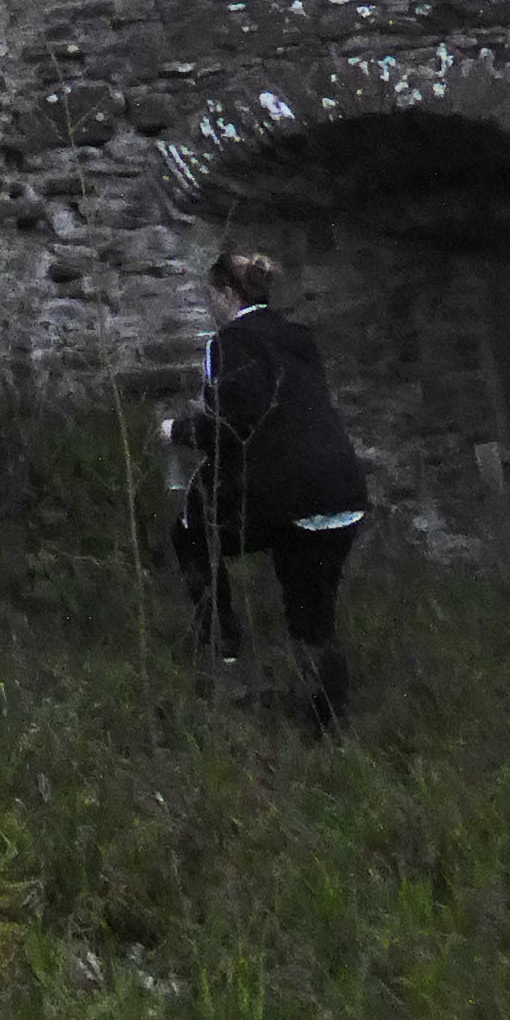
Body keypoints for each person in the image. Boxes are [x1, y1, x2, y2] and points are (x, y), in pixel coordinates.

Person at [167, 246, 370, 733]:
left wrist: (176, 431)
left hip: (292, 499)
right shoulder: (298, 337)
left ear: (226, 293)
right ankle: (329, 724)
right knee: (312, 613)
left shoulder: (230, 343)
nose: (210, 306)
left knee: (191, 532)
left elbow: (233, 429)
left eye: (211, 296)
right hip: (344, 494)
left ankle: (225, 650)